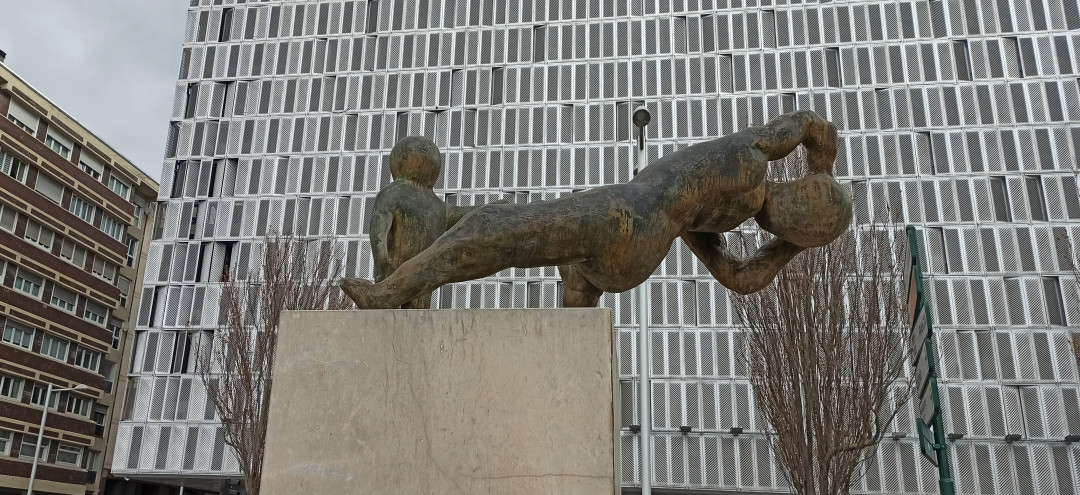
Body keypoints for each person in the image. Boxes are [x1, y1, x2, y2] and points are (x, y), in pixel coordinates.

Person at [342, 110, 851, 309]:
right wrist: (791, 248)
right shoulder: (715, 219)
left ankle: (391, 291)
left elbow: (810, 124)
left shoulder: (751, 159)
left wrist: (823, 161)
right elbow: (740, 278)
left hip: (628, 215)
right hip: (637, 254)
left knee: (502, 227)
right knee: (566, 275)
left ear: (800, 186)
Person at [369, 136, 490, 308]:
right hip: (397, 271)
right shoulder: (393, 193)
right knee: (397, 311)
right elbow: (379, 226)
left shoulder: (434, 204)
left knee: (411, 313)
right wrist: (381, 257)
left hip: (419, 276)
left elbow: (462, 214)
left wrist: (490, 208)